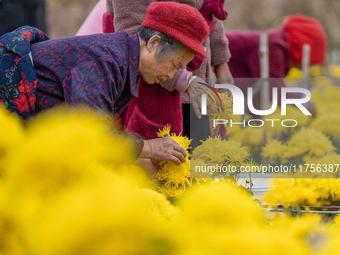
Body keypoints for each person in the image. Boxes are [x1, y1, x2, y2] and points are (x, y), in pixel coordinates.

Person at [0, 2, 209, 165]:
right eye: (174, 64)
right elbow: (90, 136)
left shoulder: (123, 62)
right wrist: (149, 148)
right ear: (153, 43)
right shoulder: (103, 61)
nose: (171, 74)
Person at [225, 14, 327, 112]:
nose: (303, 67)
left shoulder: (278, 46)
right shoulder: (274, 45)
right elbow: (272, 88)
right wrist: (304, 104)